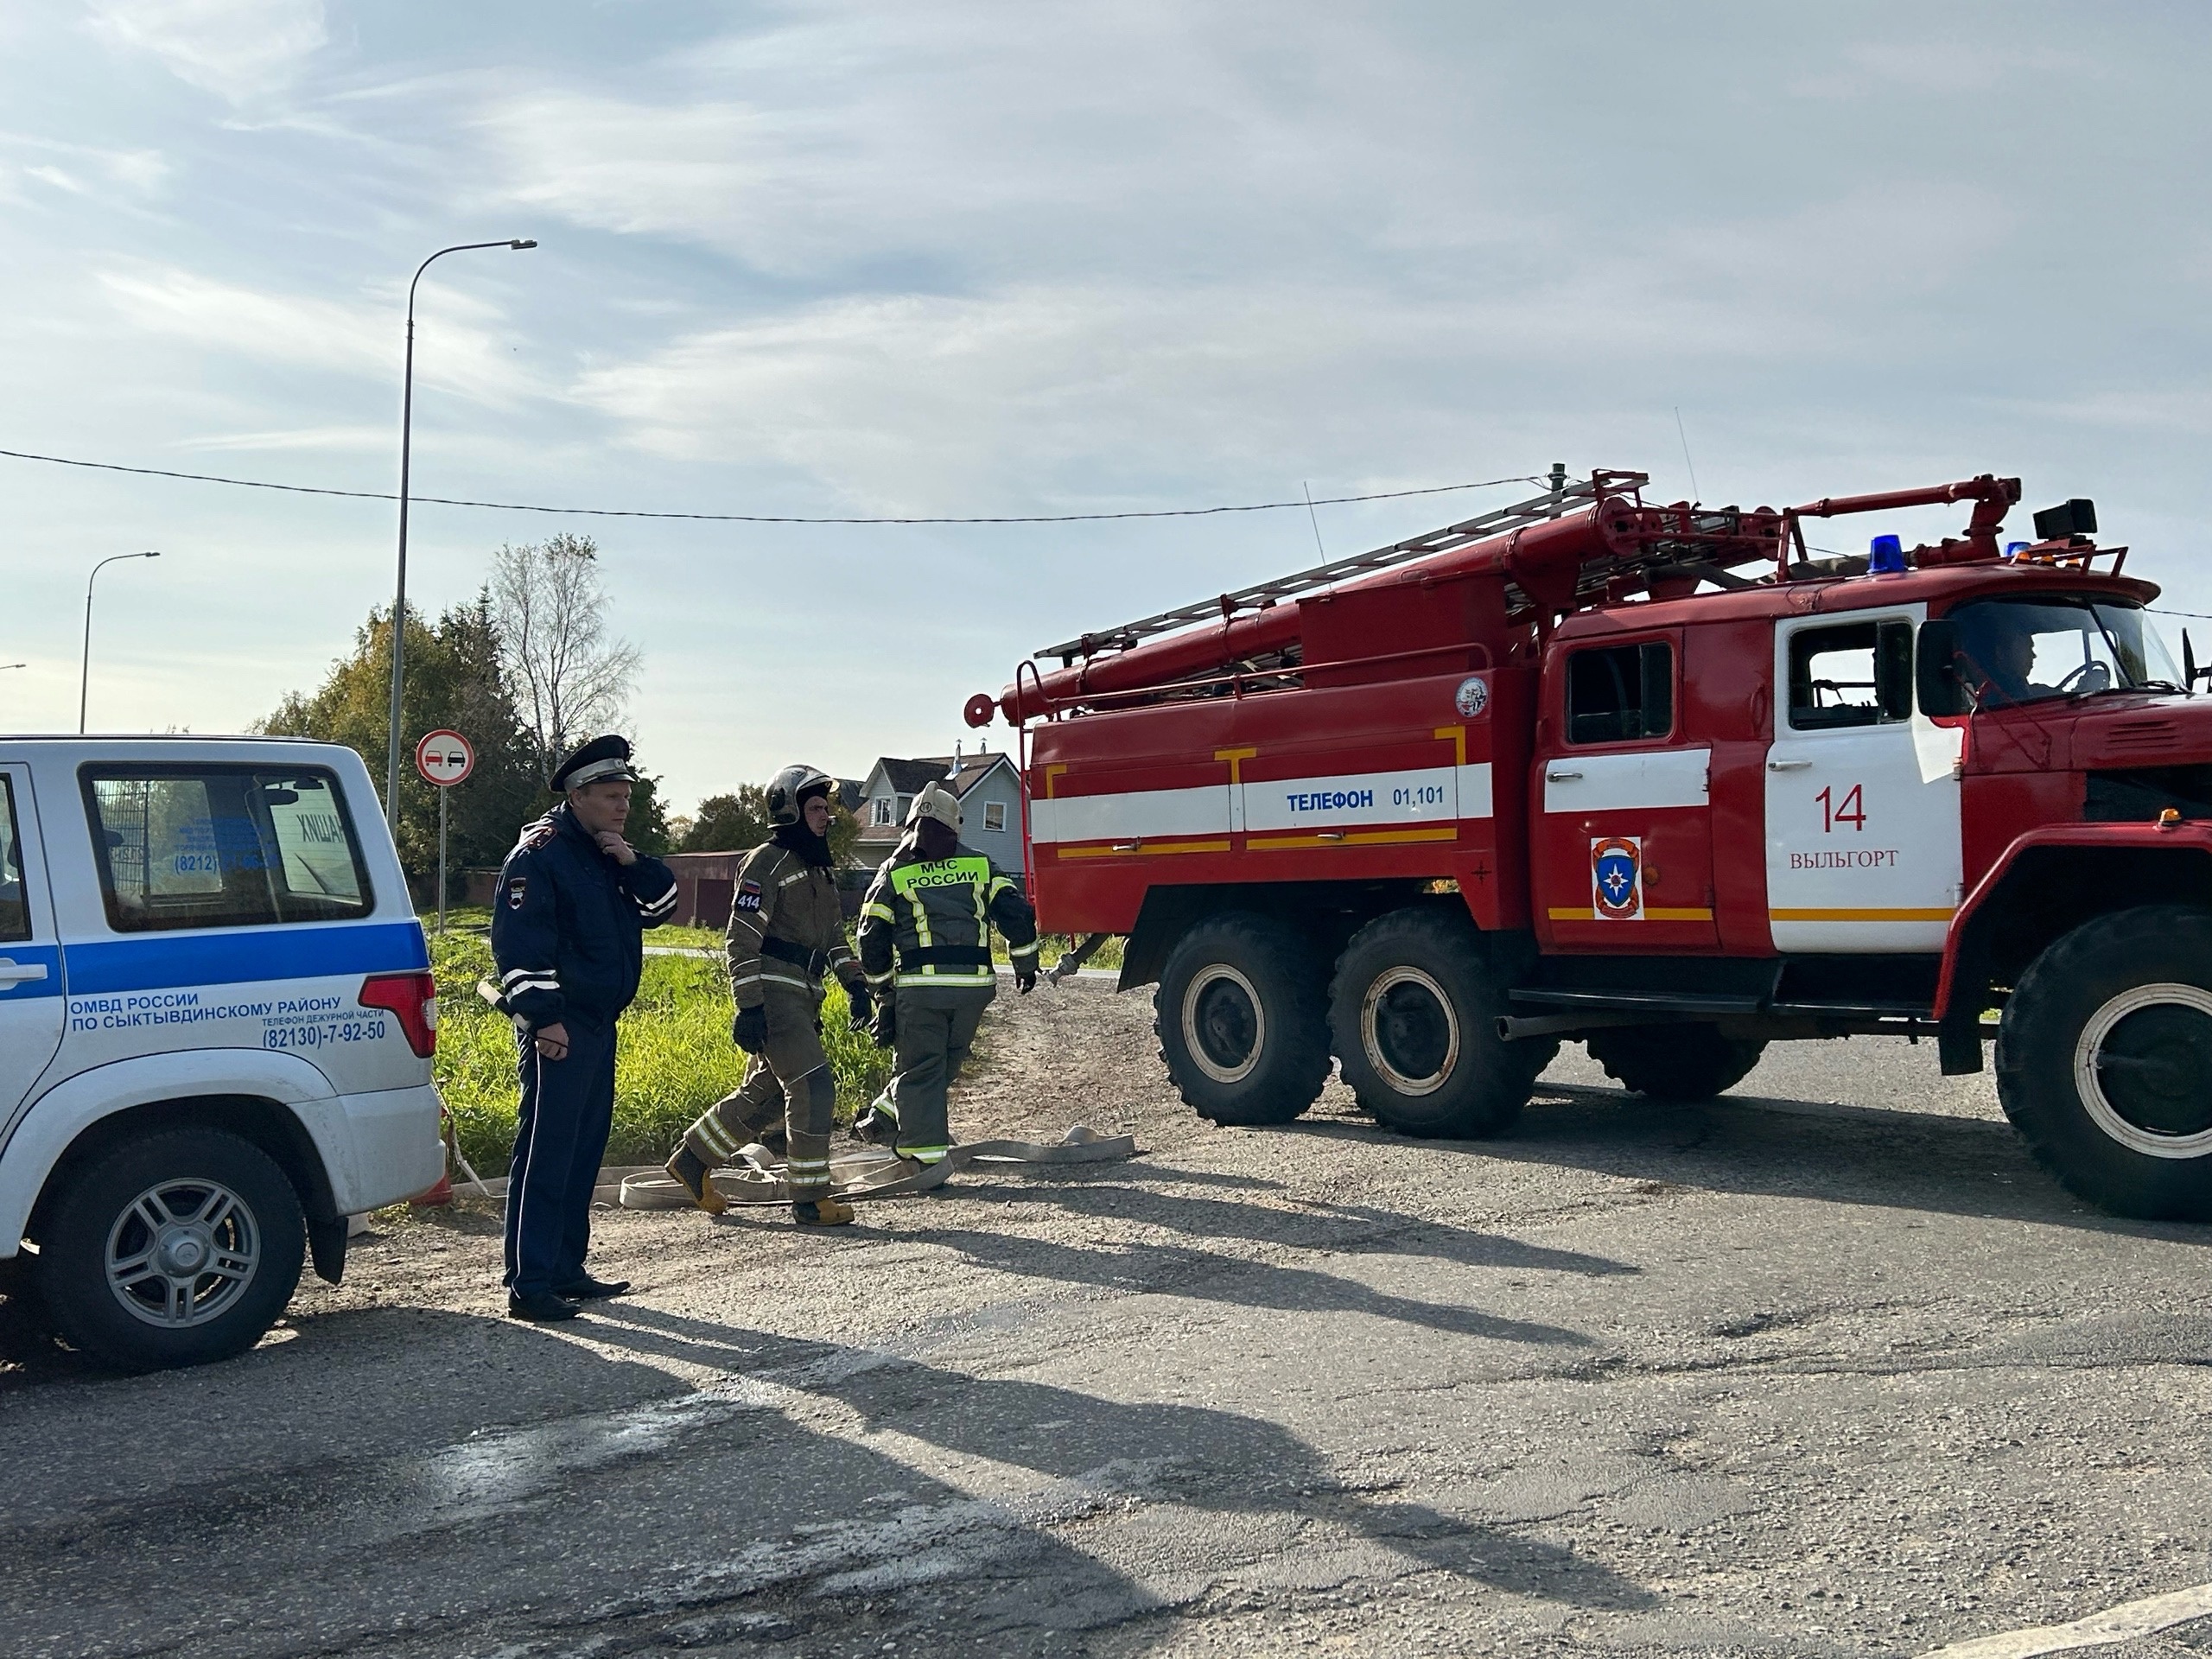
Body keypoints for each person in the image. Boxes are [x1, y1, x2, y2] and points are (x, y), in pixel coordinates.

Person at [491, 734, 679, 1322]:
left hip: (600, 1021)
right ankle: (530, 1282)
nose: (623, 805)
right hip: (561, 1026)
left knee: (582, 1150)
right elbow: (520, 944)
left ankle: (567, 1268)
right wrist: (544, 1018)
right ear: (577, 796)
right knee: (547, 1152)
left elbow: (661, 907)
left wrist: (633, 861)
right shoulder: (541, 853)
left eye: (626, 794)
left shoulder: (607, 850)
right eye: (609, 795)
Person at [665, 765, 873, 1225]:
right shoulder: (767, 860)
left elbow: (835, 936)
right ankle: (810, 1199)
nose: (825, 816)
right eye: (815, 807)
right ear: (789, 810)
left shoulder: (817, 869)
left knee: (766, 1097)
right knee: (813, 1085)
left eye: (826, 807)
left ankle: (693, 1159)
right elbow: (740, 939)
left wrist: (856, 983)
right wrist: (749, 1007)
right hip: (775, 993)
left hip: (805, 994)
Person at [851, 780, 1038, 1167]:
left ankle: (923, 1155)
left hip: (921, 990)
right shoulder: (980, 865)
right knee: (947, 1061)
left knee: (921, 1068)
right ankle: (888, 1110)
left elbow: (871, 934)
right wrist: (1024, 962)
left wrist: (882, 990)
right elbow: (1017, 914)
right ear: (956, 826)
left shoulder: (894, 871)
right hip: (973, 988)